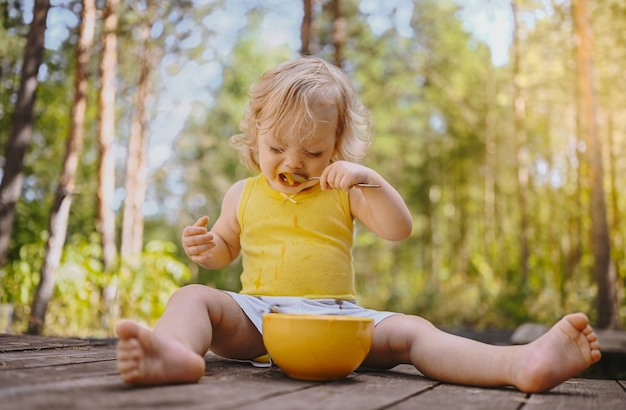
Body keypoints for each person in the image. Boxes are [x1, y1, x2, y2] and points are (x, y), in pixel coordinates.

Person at [115, 56, 601, 393]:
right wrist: (206, 247)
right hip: (262, 323)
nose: (293, 162)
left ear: (338, 145)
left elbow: (398, 228)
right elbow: (225, 249)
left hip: (337, 323)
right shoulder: (242, 194)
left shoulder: (342, 189)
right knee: (192, 296)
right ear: (255, 135)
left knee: (414, 331)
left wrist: (367, 180)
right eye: (277, 147)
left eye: (313, 151)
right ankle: (175, 354)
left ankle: (519, 364)